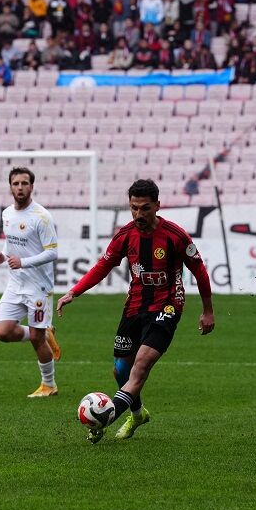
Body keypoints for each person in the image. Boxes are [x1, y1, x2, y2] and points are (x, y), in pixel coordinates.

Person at [57, 179, 215, 443]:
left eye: (144, 208)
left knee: (140, 367)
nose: (139, 214)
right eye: (134, 208)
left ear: (157, 206)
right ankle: (138, 413)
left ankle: (104, 418)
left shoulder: (175, 236)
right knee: (121, 370)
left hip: (167, 307)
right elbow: (102, 266)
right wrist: (74, 291)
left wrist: (207, 311)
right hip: (134, 307)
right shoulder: (125, 235)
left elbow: (199, 270)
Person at [0, 168, 62, 398]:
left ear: (32, 186)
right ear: (10, 186)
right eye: (15, 183)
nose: (20, 187)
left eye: (24, 183)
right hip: (15, 284)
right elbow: (11, 245)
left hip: (38, 287)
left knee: (35, 338)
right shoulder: (6, 214)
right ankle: (44, 333)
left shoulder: (41, 216)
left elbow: (52, 253)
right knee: (2, 332)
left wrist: (24, 262)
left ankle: (49, 385)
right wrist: (2, 256)